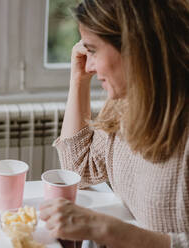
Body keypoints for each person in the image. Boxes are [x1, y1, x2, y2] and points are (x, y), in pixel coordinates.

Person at [39, 0, 188, 247]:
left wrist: (107, 229)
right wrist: (78, 80)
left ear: (134, 47)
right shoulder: (125, 102)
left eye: (93, 51)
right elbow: (79, 170)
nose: (89, 65)